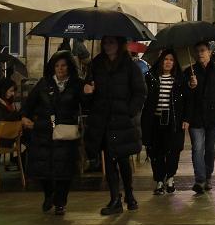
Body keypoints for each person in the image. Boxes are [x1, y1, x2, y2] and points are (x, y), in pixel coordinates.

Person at [84, 36, 146, 215]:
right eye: (105, 43)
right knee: (109, 160)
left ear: (119, 44)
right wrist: (88, 91)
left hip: (122, 121)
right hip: (103, 120)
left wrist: (129, 112)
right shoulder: (96, 65)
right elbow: (88, 90)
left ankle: (129, 193)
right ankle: (115, 199)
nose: (107, 46)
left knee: (123, 159)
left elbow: (140, 92)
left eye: (111, 42)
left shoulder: (130, 66)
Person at [21, 52, 84, 215]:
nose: (60, 69)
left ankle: (60, 202)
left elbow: (86, 104)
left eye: (63, 65)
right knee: (43, 168)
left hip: (66, 132)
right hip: (44, 132)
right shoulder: (44, 83)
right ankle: (49, 194)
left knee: (65, 170)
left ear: (69, 67)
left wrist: (89, 92)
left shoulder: (77, 85)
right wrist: (24, 117)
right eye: (57, 66)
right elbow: (29, 103)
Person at [183, 42, 215, 194]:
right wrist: (190, 86)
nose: (200, 54)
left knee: (210, 148)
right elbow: (185, 97)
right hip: (196, 117)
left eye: (203, 51)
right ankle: (200, 179)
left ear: (209, 52)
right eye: (197, 51)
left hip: (214, 116)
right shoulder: (189, 72)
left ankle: (208, 175)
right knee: (198, 148)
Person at [141, 49, 187, 195]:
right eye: (165, 59)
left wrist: (186, 119)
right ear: (161, 61)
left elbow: (187, 101)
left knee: (173, 151)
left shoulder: (180, 80)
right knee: (156, 151)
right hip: (155, 121)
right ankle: (159, 180)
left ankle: (170, 178)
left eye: (171, 60)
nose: (168, 62)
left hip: (174, 122)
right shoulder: (151, 77)